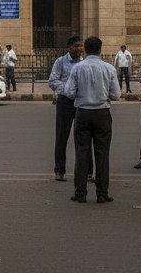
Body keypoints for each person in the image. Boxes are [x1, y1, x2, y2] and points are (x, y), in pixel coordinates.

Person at [62, 35, 120, 203]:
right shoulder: (108, 68)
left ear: (85, 50)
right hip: (102, 113)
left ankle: (80, 192)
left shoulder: (78, 68)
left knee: (82, 153)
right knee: (102, 154)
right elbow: (116, 94)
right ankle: (102, 193)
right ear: (100, 50)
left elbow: (69, 92)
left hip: (83, 113)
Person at [49, 35, 91, 182]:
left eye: (81, 46)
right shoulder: (60, 62)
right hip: (65, 102)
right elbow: (52, 81)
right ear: (69, 47)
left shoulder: (85, 63)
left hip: (81, 102)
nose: (79, 49)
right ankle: (59, 170)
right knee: (62, 136)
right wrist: (68, 89)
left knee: (84, 138)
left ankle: (87, 171)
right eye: (76, 46)